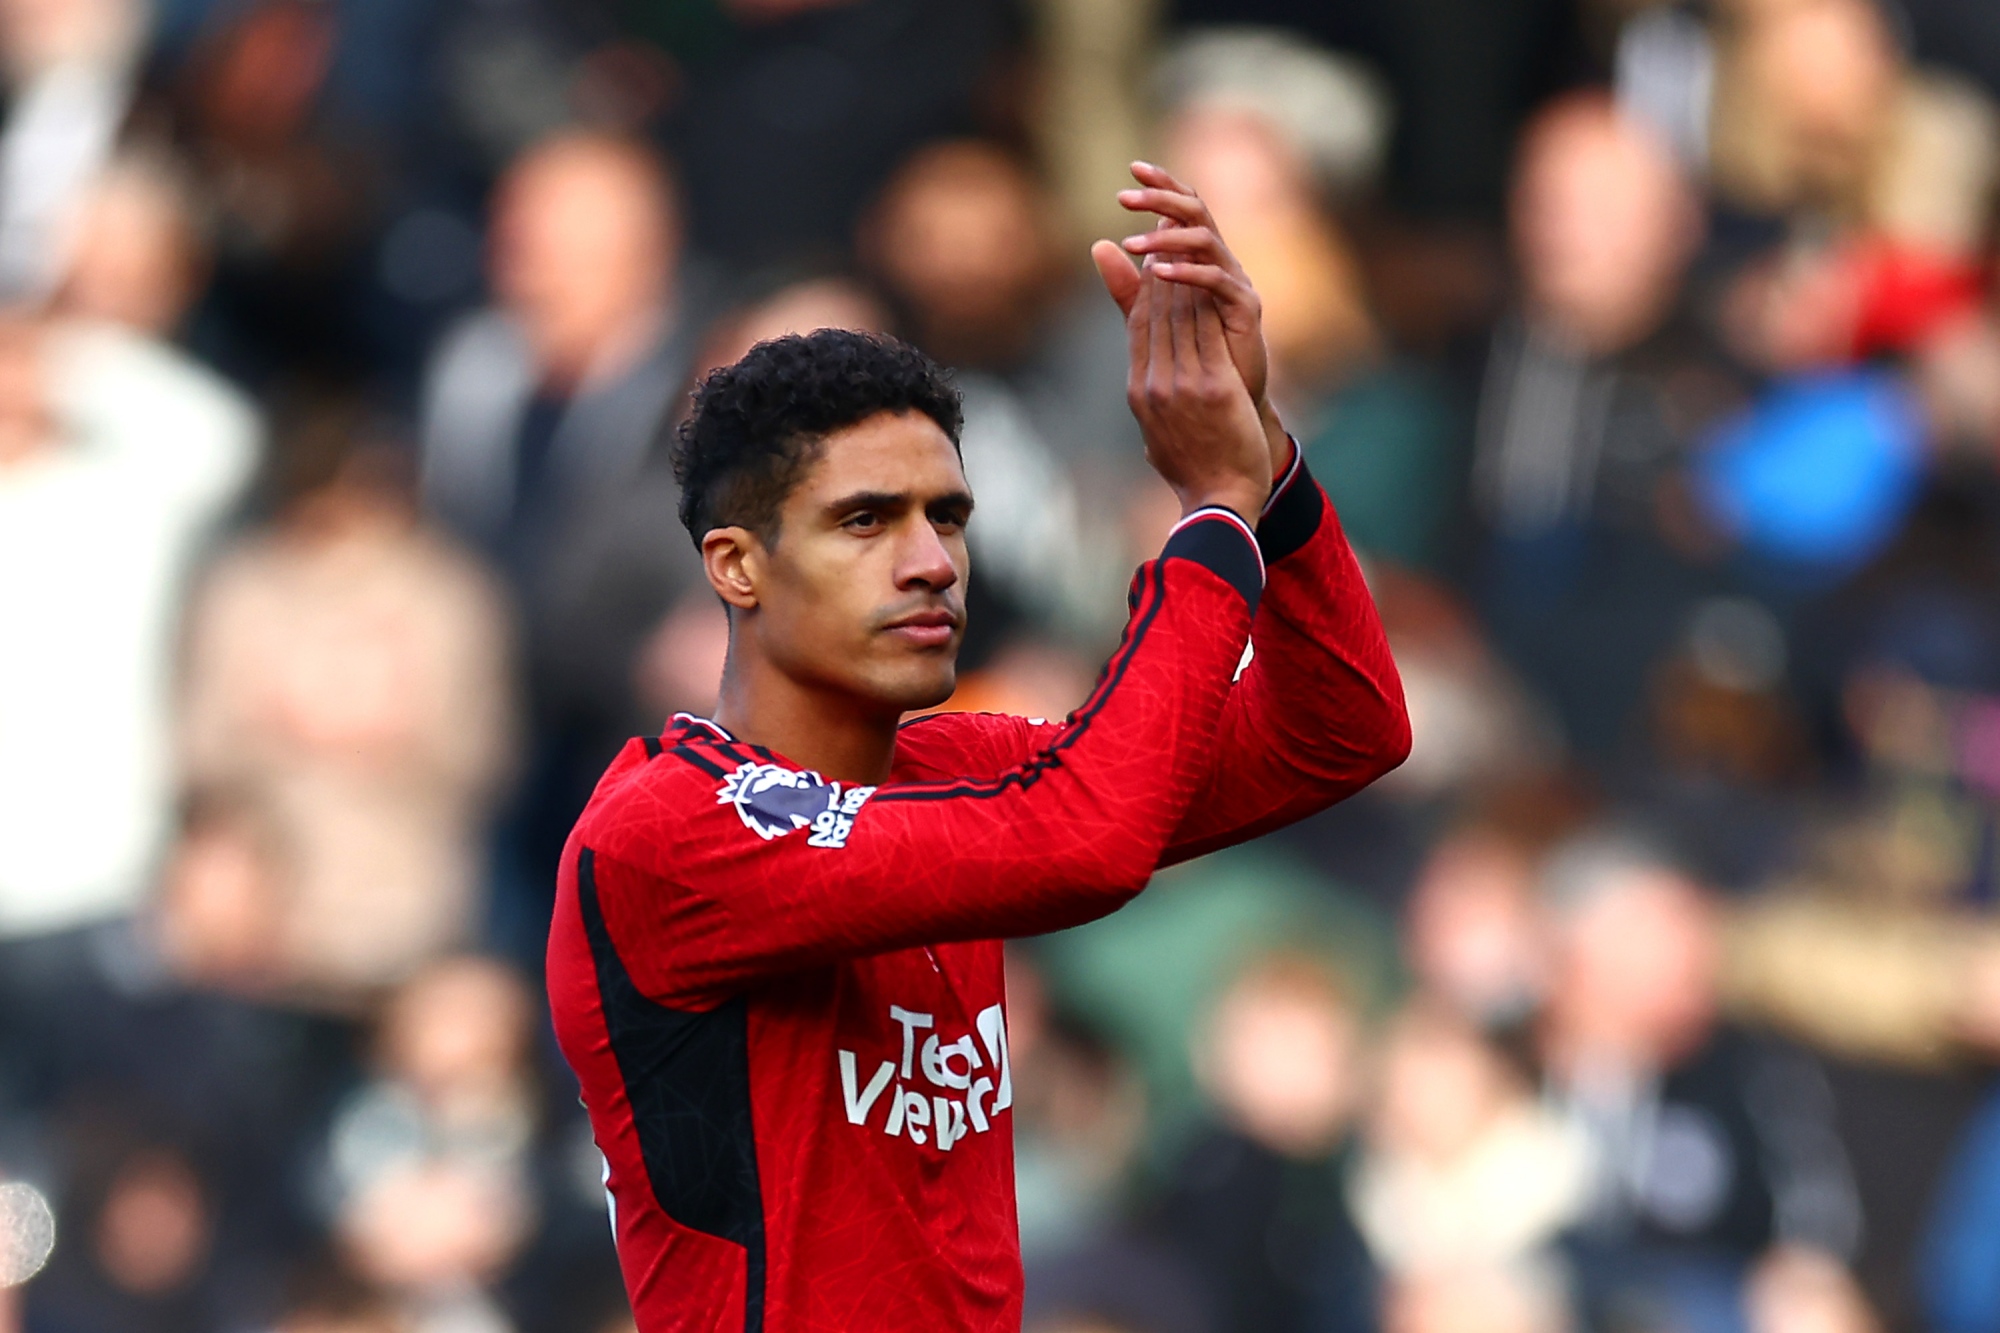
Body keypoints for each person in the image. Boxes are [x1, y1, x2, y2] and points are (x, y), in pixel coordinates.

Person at [545, 162, 1410, 1329]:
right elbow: (1090, 841)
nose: (929, 563)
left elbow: (1341, 728)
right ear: (737, 566)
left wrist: (1267, 464)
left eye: (946, 517)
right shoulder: (668, 833)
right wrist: (1210, 514)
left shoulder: (961, 768)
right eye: (865, 520)